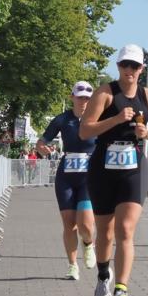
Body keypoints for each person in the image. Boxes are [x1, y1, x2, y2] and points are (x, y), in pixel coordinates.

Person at [79, 45, 148, 296]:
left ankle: (121, 289)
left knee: (125, 230)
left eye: (135, 66)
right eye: (125, 65)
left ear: (142, 69)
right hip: (103, 168)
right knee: (104, 232)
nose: (129, 70)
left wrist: (147, 133)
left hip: (133, 168)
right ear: (118, 66)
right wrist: (116, 119)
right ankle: (104, 275)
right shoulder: (105, 94)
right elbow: (85, 130)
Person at [37, 81, 98, 280]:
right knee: (69, 223)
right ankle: (72, 265)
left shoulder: (98, 119)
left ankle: (88, 244)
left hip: (89, 177)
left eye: (87, 98)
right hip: (66, 176)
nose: (83, 101)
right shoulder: (62, 119)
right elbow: (42, 141)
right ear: (72, 97)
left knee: (86, 225)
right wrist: (41, 148)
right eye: (80, 97)